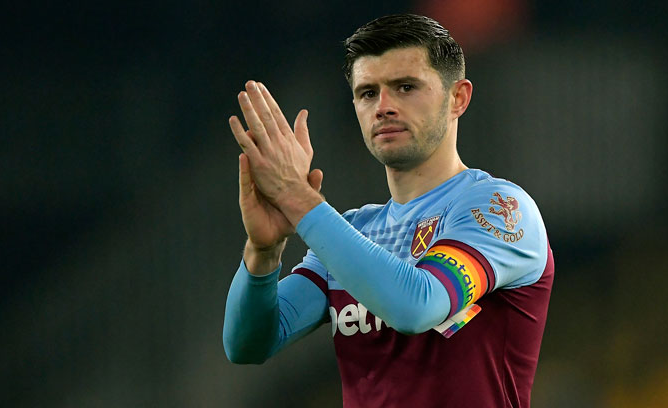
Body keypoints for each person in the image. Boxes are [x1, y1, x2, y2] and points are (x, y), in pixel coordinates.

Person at [223, 13, 554, 408]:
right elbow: (249, 344)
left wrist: (299, 199)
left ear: (458, 98)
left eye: (405, 87)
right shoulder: (353, 230)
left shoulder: (500, 209)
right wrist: (263, 252)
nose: (383, 107)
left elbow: (416, 307)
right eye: (367, 93)